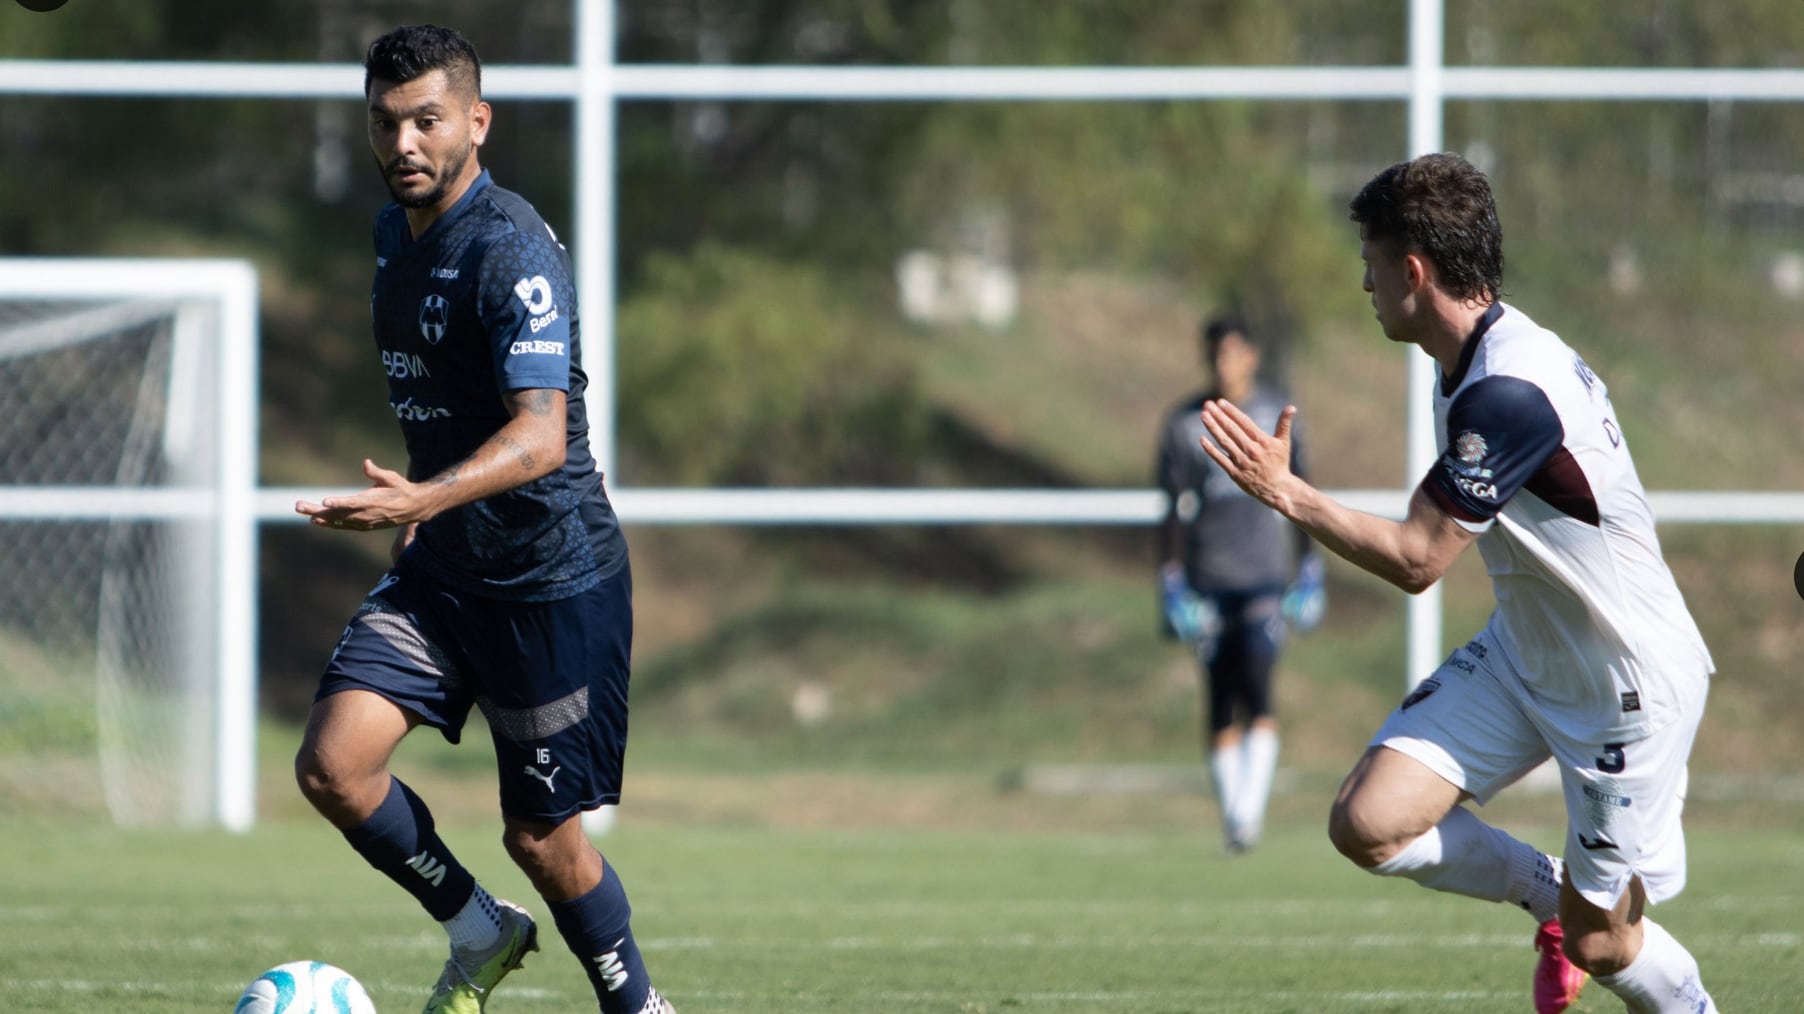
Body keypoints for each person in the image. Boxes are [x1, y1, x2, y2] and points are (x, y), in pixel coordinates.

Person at [1197, 152, 1716, 1013]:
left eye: (1370, 264)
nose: (1364, 285)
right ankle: (1550, 893)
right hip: (1530, 650)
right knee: (1368, 823)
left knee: (1604, 941)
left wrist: (1286, 494)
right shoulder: (1474, 359)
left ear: (1413, 270)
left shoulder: (1511, 387)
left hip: (1623, 681)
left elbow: (1416, 560)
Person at [292, 25, 674, 1014]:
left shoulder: (512, 251)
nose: (405, 142)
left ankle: (638, 1006)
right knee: (334, 768)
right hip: (445, 569)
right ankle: (478, 929)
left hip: (551, 579)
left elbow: (541, 437)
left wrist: (421, 497)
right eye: (386, 122)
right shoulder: (392, 235)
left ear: (475, 121)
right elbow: (444, 400)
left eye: (427, 119)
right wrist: (426, 508)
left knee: (541, 839)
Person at [1155, 315, 1324, 854]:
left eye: (1231, 353)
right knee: (1220, 699)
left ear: (1250, 355)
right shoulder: (1184, 423)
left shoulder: (1277, 413)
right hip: (1208, 578)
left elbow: (1303, 493)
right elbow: (1172, 511)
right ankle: (1236, 817)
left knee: (1258, 680)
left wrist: (1310, 568)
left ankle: (1246, 815)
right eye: (1213, 355)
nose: (1222, 365)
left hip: (1263, 577)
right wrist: (1171, 580)